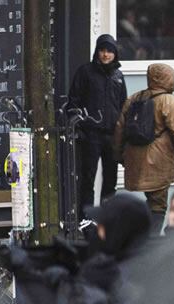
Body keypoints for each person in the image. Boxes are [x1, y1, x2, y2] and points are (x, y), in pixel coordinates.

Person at [113, 63, 174, 234]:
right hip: (159, 161)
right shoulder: (169, 101)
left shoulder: (134, 98)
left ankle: (141, 237)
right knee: (158, 204)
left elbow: (119, 130)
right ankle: (151, 242)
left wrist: (120, 156)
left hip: (134, 158)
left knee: (147, 201)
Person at [69, 34, 127, 213]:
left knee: (110, 180)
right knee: (88, 178)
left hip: (112, 135)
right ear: (97, 51)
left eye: (110, 51)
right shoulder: (85, 72)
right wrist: (80, 126)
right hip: (91, 134)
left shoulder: (118, 75)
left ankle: (107, 222)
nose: (106, 54)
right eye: (102, 50)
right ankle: (86, 221)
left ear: (115, 54)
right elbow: (74, 101)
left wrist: (122, 133)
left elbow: (123, 105)